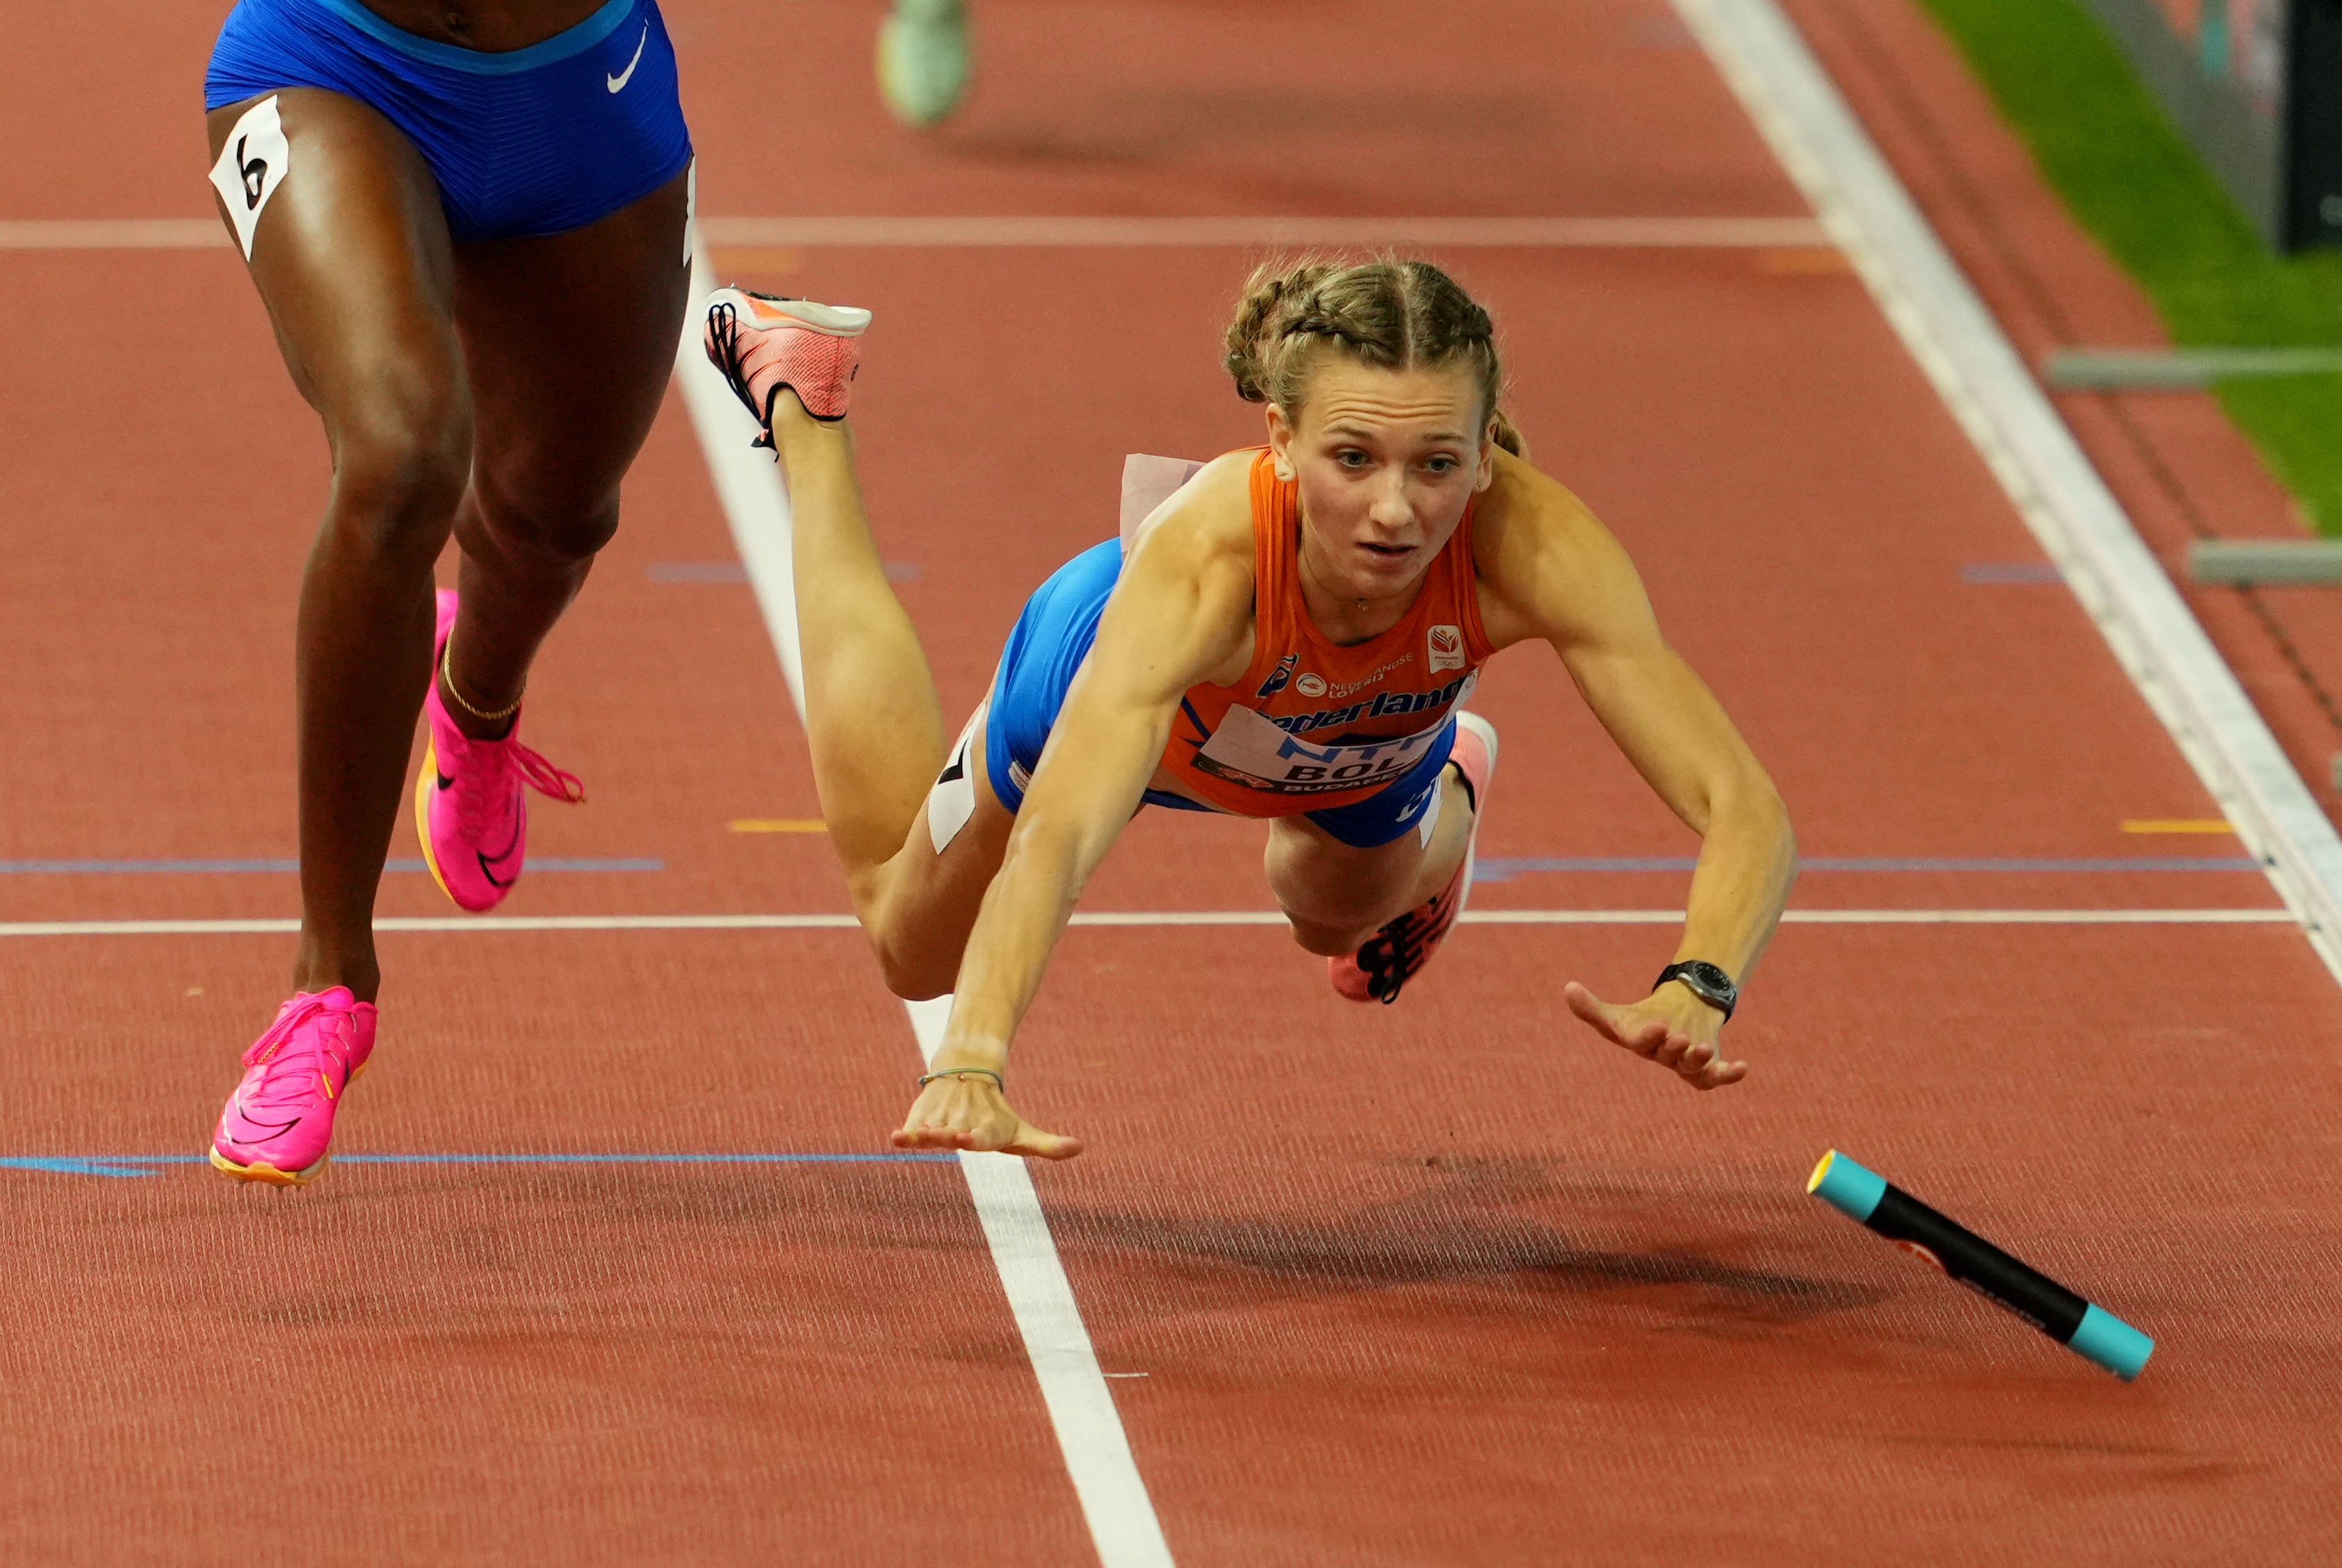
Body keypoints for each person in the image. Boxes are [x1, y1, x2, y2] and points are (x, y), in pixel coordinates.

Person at [701, 259, 1798, 1160]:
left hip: (1360, 744)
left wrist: (1699, 979)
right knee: (910, 949)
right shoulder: (1208, 560)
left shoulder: (1535, 547)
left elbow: (1740, 802)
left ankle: (1449, 780)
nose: (1392, 509)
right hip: (1117, 703)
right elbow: (1063, 835)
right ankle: (808, 399)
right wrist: (974, 1057)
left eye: (1436, 465)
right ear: (1279, 440)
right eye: (1352, 458)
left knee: (1330, 918)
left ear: (1479, 458)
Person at [201, 0, 693, 1184]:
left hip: (585, 101)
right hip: (331, 67)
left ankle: (475, 709)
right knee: (404, 454)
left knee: (557, 516)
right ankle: (329, 986)